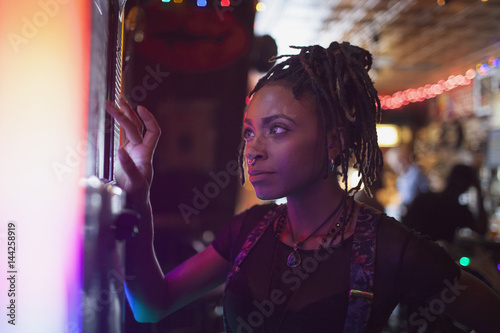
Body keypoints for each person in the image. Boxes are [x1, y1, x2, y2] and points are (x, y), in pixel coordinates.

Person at [105, 42, 500, 332]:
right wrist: (138, 197)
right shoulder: (250, 231)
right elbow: (151, 306)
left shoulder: (391, 247)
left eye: (277, 130)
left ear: (334, 140)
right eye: (249, 132)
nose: (253, 150)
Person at [403, 163, 487, 244]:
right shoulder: (458, 210)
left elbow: (405, 227)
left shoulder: (424, 199)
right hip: (436, 256)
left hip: (412, 252)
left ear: (448, 179)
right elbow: (481, 229)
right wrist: (478, 190)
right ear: (468, 185)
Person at [384, 143, 429, 220]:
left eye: (397, 162)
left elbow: (426, 192)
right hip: (408, 211)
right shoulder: (400, 179)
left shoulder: (416, 172)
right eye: (393, 165)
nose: (397, 166)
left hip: (421, 211)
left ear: (403, 158)